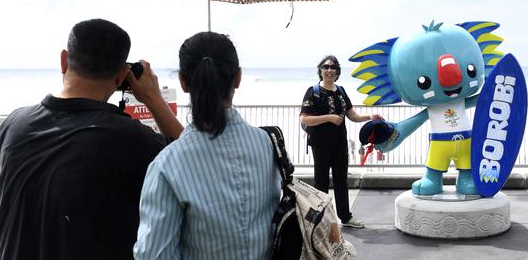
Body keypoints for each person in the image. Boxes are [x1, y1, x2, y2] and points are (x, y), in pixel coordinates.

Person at [0, 19, 184, 260]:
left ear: (64, 60)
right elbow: (193, 163)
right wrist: (154, 98)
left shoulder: (13, 126)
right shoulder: (129, 139)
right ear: (121, 76)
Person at [133, 32, 281, 259]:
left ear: (183, 82)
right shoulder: (267, 144)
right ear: (238, 78)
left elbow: (153, 255)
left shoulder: (167, 165)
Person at [300, 55, 382, 229]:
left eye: (333, 67)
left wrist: (370, 117)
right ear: (320, 70)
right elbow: (305, 119)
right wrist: (329, 118)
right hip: (320, 145)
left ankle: (345, 217)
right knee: (321, 182)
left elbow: (353, 115)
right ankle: (322, 220)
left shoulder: (342, 91)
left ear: (337, 72)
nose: (329, 70)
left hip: (339, 144)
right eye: (326, 67)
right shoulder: (313, 91)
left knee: (341, 181)